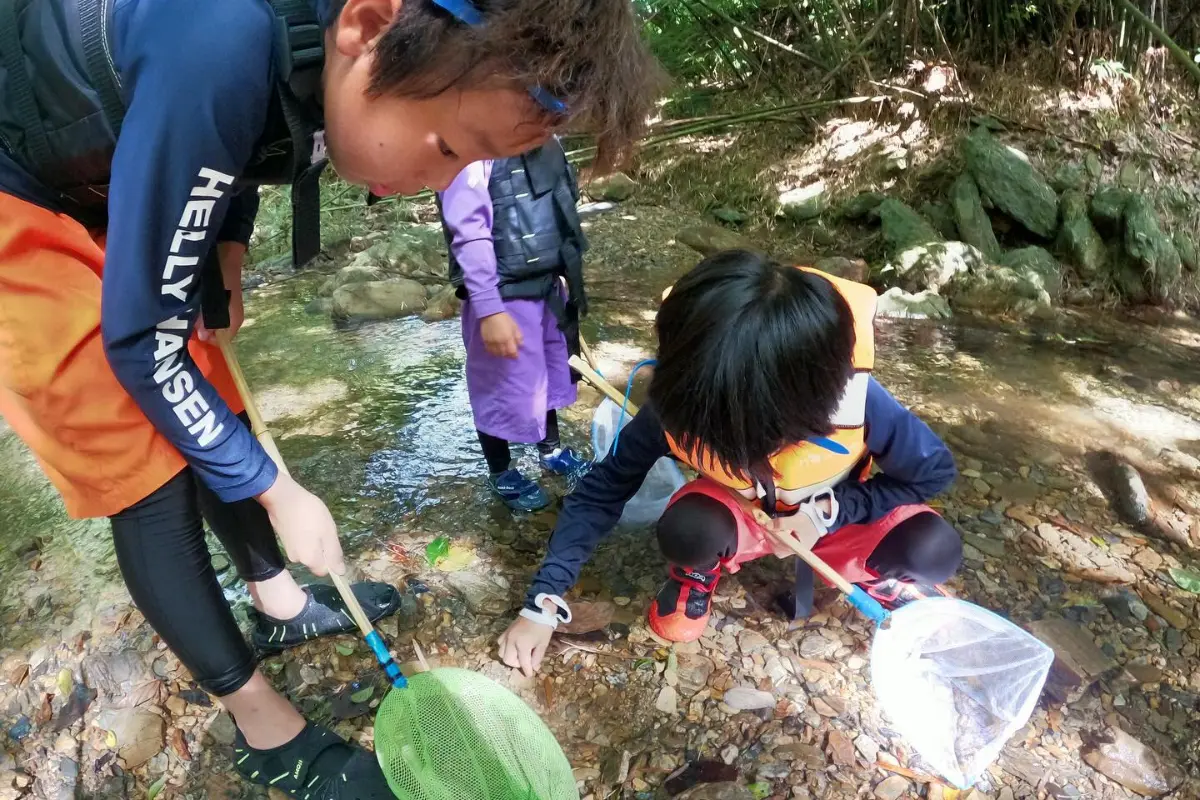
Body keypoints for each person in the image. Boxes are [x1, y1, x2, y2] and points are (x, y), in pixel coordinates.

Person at [0, 0, 659, 795]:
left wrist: (230, 245)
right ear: (368, 27)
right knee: (138, 457)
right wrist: (280, 492)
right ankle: (262, 727)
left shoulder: (328, 55)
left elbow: (244, 139)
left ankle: (278, 605)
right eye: (448, 147)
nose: (438, 183)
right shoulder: (217, 38)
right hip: (18, 183)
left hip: (108, 169)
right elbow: (139, 343)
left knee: (211, 397)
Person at [497, 250, 961, 676]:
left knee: (934, 551)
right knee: (687, 529)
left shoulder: (856, 403)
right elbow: (603, 491)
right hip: (743, 515)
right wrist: (543, 601)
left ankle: (875, 578)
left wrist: (830, 510)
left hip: (832, 516)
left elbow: (932, 473)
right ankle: (696, 575)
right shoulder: (681, 404)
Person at [438, 138, 591, 512]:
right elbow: (469, 231)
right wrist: (489, 310)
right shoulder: (472, 150)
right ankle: (501, 470)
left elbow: (559, 205)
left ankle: (550, 450)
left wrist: (568, 274)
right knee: (498, 386)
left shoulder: (542, 137)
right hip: (500, 297)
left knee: (548, 374)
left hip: (548, 288)